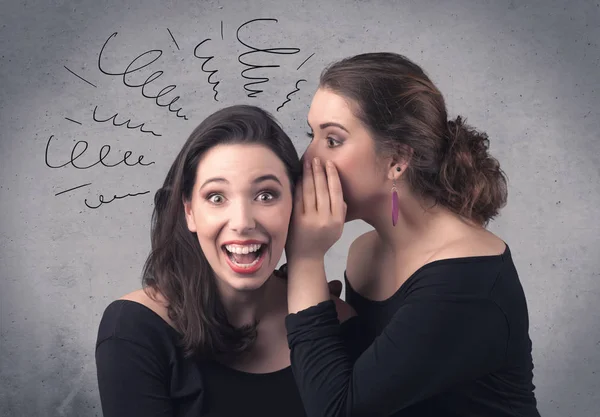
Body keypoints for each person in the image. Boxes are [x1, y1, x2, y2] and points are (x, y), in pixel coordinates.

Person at [283, 53, 541, 417]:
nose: (308, 159)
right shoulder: (365, 254)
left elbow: (337, 411)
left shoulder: (468, 280)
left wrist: (305, 260)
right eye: (313, 135)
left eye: (333, 140)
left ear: (397, 160)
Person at [95, 105, 350, 417]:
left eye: (266, 195)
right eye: (217, 198)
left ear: (295, 205)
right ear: (189, 211)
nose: (242, 222)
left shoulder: (336, 322)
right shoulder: (134, 329)